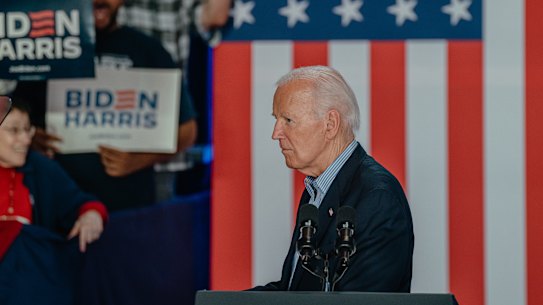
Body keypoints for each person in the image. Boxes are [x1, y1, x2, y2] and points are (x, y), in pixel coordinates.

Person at [15, 0, 198, 211]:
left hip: (130, 209)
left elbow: (188, 131)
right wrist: (30, 136)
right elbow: (15, 114)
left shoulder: (150, 51)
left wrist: (138, 160)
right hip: (59, 208)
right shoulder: (47, 48)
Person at [252, 66, 414, 292]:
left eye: (288, 120)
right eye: (276, 119)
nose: (275, 133)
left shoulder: (378, 200)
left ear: (330, 124)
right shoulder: (317, 189)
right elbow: (293, 292)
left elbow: (357, 301)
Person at [0, 99, 107, 305]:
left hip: (26, 286)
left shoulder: (40, 168)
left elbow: (81, 203)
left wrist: (91, 215)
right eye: (14, 130)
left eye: (27, 129)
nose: (25, 139)